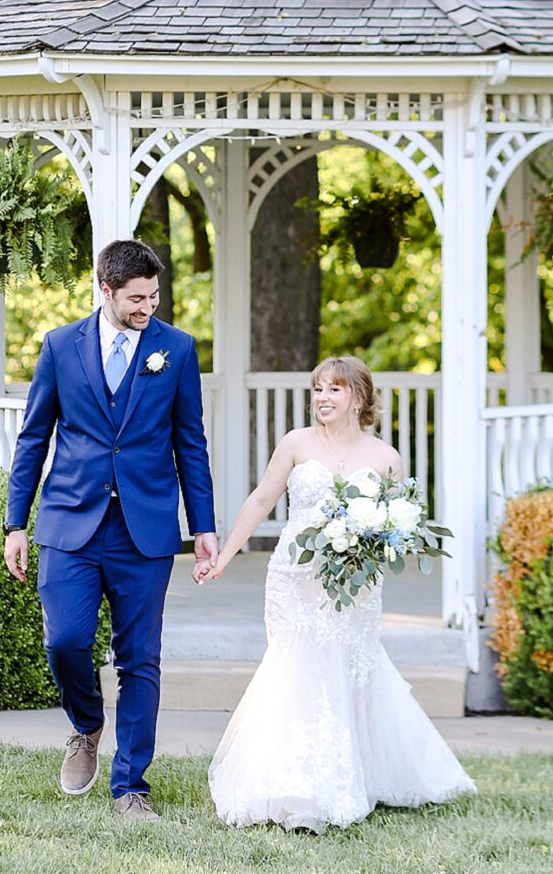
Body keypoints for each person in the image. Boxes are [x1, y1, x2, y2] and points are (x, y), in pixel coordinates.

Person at [196, 355, 476, 832]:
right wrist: (222, 556)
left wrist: (371, 548)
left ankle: (352, 774)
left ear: (360, 398)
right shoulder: (296, 443)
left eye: (335, 389)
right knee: (297, 663)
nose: (323, 398)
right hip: (294, 576)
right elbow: (262, 499)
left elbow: (394, 526)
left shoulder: (386, 458)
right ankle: (291, 781)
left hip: (354, 583)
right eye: (318, 389)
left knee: (349, 663)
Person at [3, 238, 217, 823]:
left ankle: (131, 787)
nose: (148, 308)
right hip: (70, 522)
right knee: (65, 641)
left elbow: (190, 444)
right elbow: (33, 437)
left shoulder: (176, 349)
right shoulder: (59, 347)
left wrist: (203, 527)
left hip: (144, 531)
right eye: (136, 298)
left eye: (154, 296)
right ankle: (86, 726)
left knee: (140, 659)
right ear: (105, 289)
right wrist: (15, 522)